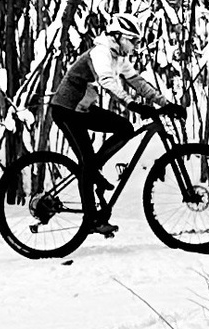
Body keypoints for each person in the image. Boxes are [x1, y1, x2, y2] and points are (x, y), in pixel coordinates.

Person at [49, 15, 170, 224]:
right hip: (66, 110)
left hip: (82, 109)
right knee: (87, 164)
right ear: (118, 36)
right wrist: (131, 104)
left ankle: (93, 168)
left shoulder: (119, 58)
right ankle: (92, 219)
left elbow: (137, 82)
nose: (134, 46)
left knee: (124, 127)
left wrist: (165, 103)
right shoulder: (100, 53)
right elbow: (106, 81)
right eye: (132, 40)